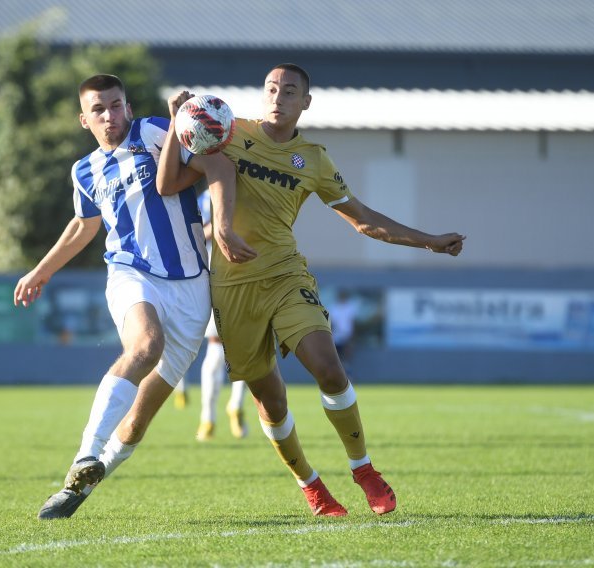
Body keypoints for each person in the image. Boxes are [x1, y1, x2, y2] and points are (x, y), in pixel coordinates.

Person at [159, 63, 465, 517]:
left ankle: (363, 469)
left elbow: (364, 220)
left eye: (289, 90)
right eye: (271, 88)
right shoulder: (225, 131)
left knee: (329, 367)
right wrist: (176, 122)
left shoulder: (315, 159)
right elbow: (167, 184)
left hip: (285, 274)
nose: (278, 96)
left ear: (306, 102)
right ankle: (311, 485)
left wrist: (429, 241)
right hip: (231, 286)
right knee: (271, 400)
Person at [13, 74, 254, 520]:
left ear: (128, 105)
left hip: (191, 289)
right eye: (99, 110)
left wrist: (221, 225)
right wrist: (40, 271)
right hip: (130, 272)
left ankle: (78, 488)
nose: (110, 115)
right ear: (84, 120)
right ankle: (86, 453)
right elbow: (84, 225)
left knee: (139, 419)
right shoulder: (83, 170)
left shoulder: (157, 130)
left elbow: (217, 167)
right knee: (144, 346)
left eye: (116, 105)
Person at [194, 188, 248, 441]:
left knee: (246, 346)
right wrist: (222, 230)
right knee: (221, 348)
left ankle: (226, 410)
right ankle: (214, 414)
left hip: (243, 274)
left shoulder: (248, 189)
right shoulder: (208, 197)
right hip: (219, 274)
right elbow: (197, 233)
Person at [328, 289, 359, 374]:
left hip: (347, 336)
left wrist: (353, 337)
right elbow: (330, 323)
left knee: (346, 358)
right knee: (336, 358)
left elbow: (353, 323)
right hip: (335, 337)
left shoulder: (350, 308)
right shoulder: (333, 307)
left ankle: (348, 377)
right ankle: (337, 376)